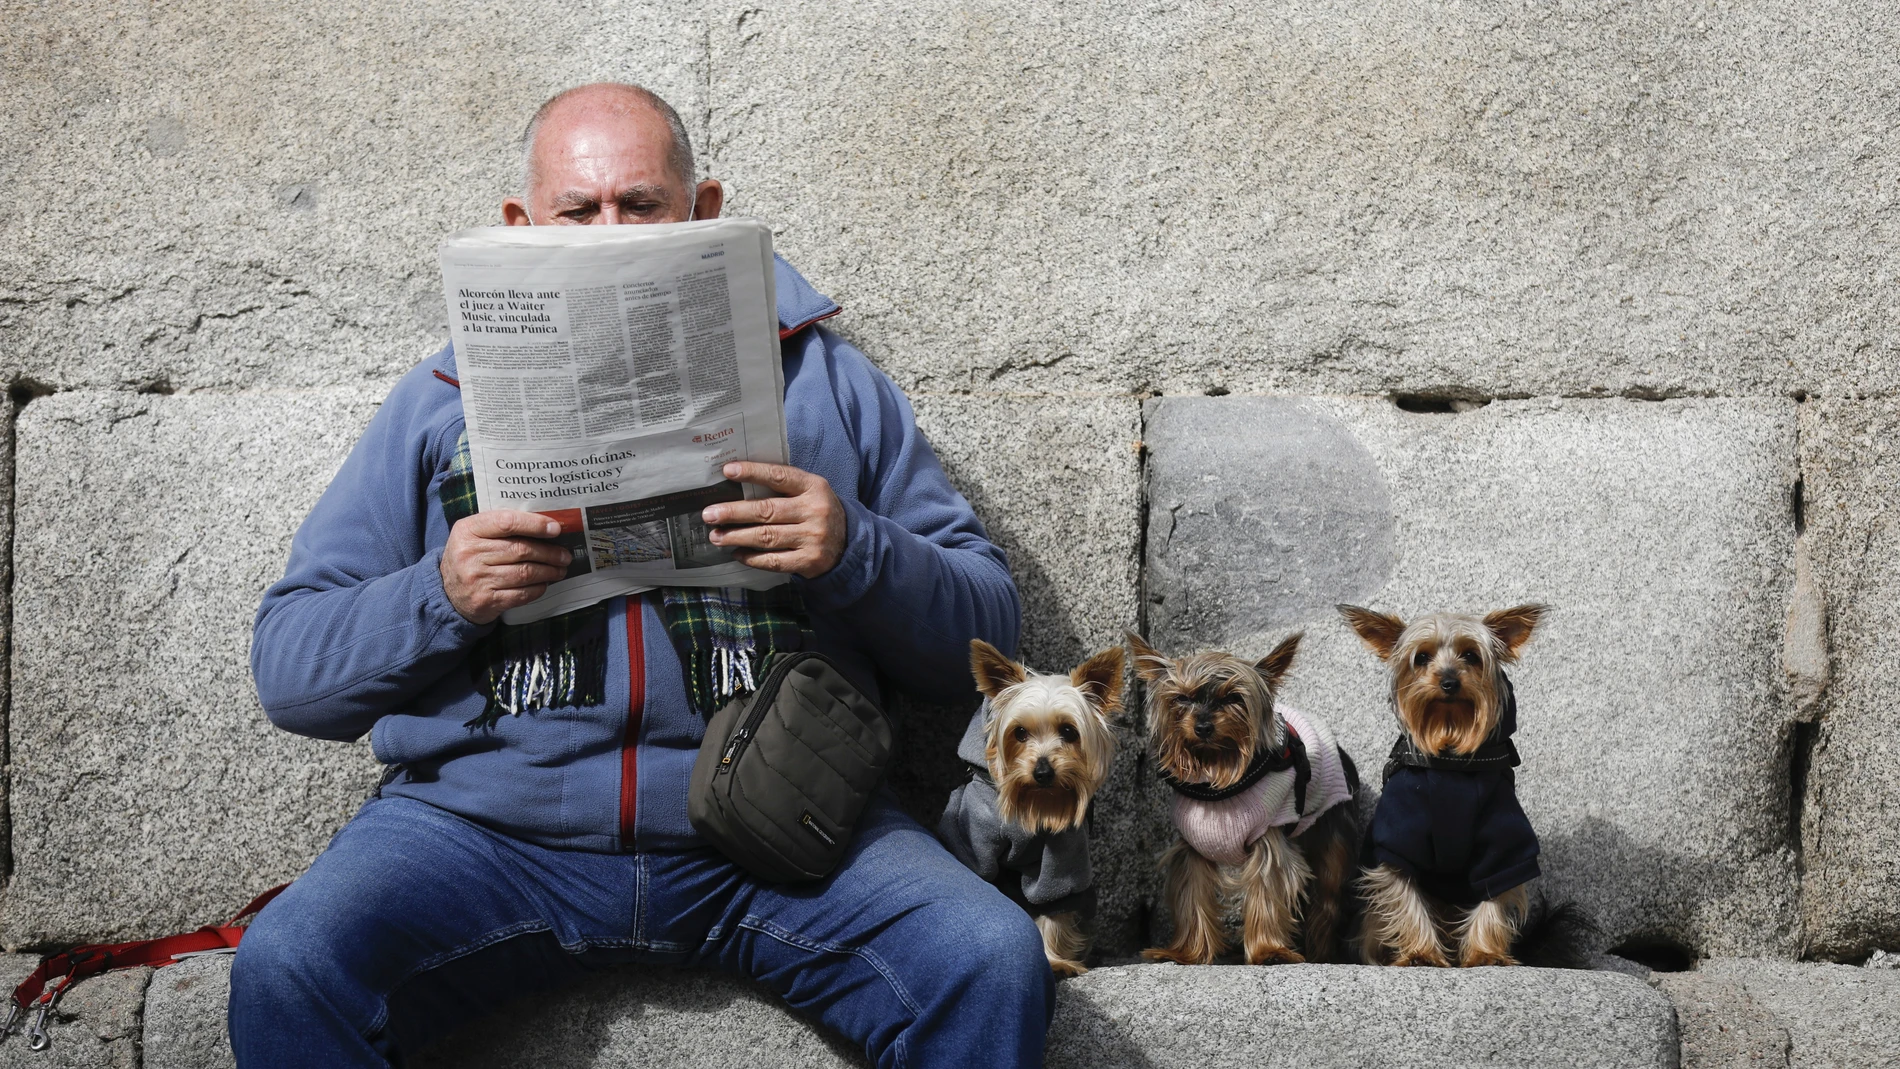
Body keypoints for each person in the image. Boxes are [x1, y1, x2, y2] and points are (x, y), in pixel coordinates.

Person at [232, 82, 1050, 1069]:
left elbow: (990, 643)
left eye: (640, 205)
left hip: (778, 835)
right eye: (579, 213)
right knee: (287, 965)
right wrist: (441, 595)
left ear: (702, 211)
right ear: (522, 225)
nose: (610, 236)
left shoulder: (828, 381)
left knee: (987, 955)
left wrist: (853, 548)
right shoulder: (437, 401)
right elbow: (290, 670)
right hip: (482, 835)